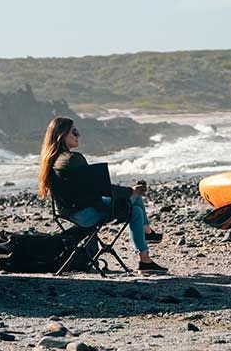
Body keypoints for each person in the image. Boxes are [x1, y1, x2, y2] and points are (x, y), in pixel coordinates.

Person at [37, 116, 167, 273]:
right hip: (85, 215)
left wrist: (128, 192)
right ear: (62, 135)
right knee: (136, 206)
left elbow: (92, 190)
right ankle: (146, 246)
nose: (78, 135)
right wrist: (129, 191)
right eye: (75, 132)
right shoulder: (73, 159)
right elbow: (100, 189)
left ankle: (147, 242)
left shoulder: (52, 160)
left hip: (70, 212)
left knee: (135, 203)